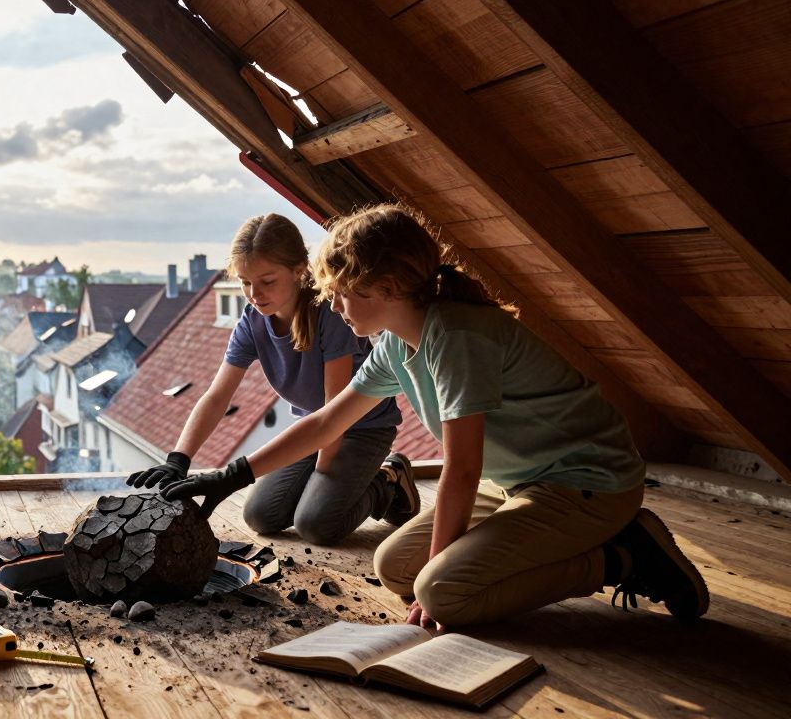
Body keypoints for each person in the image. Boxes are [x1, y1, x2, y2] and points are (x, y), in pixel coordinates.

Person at [161, 204, 708, 627]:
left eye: (345, 293)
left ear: (388, 288)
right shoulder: (396, 344)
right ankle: (565, 551)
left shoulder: (456, 337)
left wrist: (436, 579)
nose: (339, 306)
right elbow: (327, 422)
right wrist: (229, 475)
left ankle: (623, 558)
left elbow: (462, 470)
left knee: (440, 592)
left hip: (586, 483)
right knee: (394, 568)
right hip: (520, 483)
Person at [127, 213, 415, 545]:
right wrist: (179, 459)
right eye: (245, 282)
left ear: (298, 270)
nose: (254, 293)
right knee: (260, 516)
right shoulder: (252, 321)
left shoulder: (331, 313)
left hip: (360, 428)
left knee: (316, 524)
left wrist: (322, 481)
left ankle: (388, 481)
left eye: (267, 281)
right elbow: (217, 397)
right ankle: (337, 491)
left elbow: (333, 413)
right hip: (312, 427)